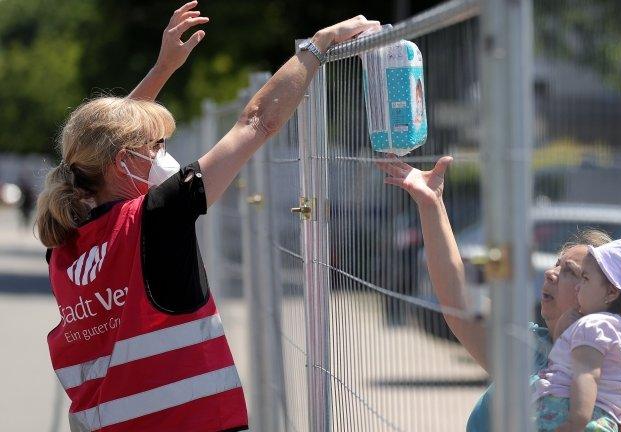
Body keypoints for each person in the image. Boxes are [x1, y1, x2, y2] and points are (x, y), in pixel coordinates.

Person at [34, 1, 380, 430]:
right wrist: (319, 45)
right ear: (123, 162)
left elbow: (96, 148)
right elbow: (257, 122)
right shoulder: (156, 215)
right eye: (156, 145)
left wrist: (162, 69)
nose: (163, 153)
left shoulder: (63, 243)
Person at [375, 156, 621, 432]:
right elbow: (457, 296)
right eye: (556, 264)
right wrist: (431, 204)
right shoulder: (525, 343)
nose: (550, 273)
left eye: (571, 271)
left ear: (608, 295)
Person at [532, 237, 621, 432]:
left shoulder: (593, 326)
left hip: (563, 412)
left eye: (585, 278)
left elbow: (587, 374)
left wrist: (575, 422)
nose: (579, 286)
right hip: (605, 421)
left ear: (611, 292)